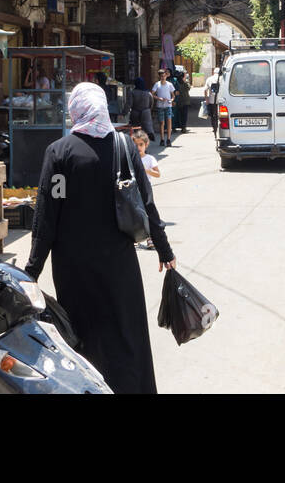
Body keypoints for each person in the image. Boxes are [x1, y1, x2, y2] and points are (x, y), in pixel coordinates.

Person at [25, 83, 175, 394]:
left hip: (74, 268)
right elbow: (146, 202)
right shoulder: (123, 146)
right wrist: (164, 249)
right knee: (126, 336)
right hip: (119, 265)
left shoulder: (60, 152)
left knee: (82, 337)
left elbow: (46, 218)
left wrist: (31, 272)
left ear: (75, 110)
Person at [152, 67, 176, 147]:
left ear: (166, 76)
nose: (163, 77)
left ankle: (168, 139)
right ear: (160, 77)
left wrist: (171, 100)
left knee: (169, 122)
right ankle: (162, 139)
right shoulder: (157, 84)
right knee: (161, 123)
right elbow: (152, 94)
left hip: (168, 106)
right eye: (161, 76)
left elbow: (173, 95)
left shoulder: (169, 85)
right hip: (160, 106)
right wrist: (159, 98)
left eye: (164, 76)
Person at [128, 76, 156, 144]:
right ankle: (145, 147)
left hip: (135, 113)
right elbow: (151, 103)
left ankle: (136, 146)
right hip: (146, 113)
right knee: (146, 130)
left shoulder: (133, 92)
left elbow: (129, 104)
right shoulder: (148, 93)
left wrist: (123, 113)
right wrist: (148, 111)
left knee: (136, 131)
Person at [172, 69, 191, 134]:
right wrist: (186, 80)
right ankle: (183, 128)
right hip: (185, 101)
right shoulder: (185, 83)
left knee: (176, 115)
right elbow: (189, 88)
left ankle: (174, 127)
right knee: (184, 115)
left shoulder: (175, 83)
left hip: (177, 101)